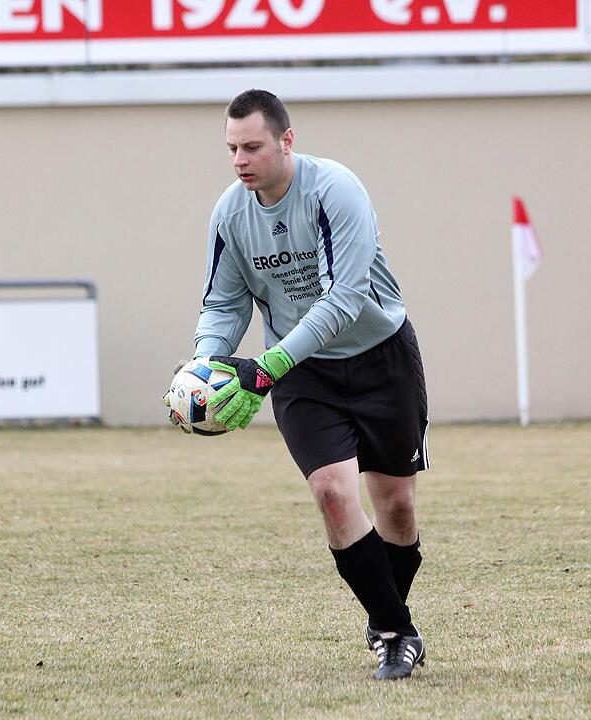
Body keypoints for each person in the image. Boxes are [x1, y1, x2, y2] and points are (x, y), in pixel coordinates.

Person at [169, 89, 430, 681]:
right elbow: (225, 301)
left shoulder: (336, 189)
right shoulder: (230, 214)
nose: (240, 160)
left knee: (396, 503)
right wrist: (203, 366)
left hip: (379, 355)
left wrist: (265, 368)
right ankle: (395, 632)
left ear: (287, 140)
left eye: (253, 146)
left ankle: (389, 611)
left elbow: (344, 298)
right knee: (334, 495)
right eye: (232, 148)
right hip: (303, 374)